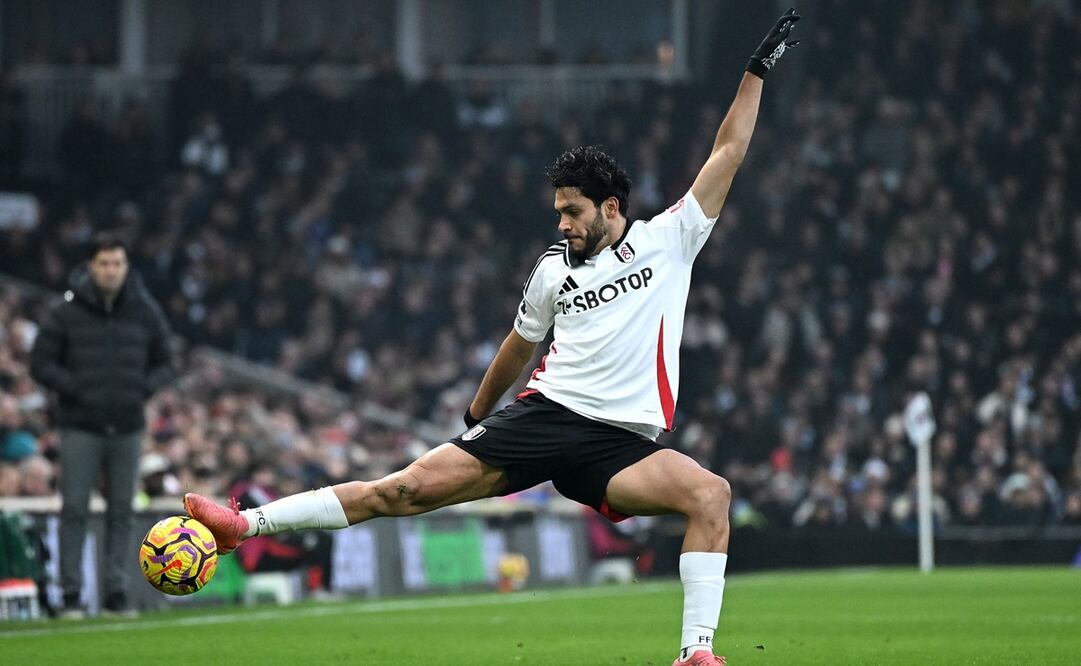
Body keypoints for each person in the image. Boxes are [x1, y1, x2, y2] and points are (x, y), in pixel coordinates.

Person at [185, 10, 800, 664]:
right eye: (558, 210)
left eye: (572, 211)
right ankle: (241, 526)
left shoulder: (668, 239)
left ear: (612, 208)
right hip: (546, 418)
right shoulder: (550, 271)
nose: (562, 222)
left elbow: (728, 151)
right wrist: (480, 414)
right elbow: (518, 344)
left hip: (620, 442)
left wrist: (754, 71)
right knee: (402, 491)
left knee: (711, 494)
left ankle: (694, 653)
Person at [31, 232, 177, 618]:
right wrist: (72, 387)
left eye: (117, 263)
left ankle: (116, 593)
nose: (111, 271)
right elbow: (40, 361)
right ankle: (70, 595)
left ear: (126, 267)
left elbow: (167, 360)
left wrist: (141, 389)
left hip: (128, 424)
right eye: (104, 263)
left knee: (122, 511)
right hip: (80, 423)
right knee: (74, 508)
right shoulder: (67, 311)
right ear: (91, 266)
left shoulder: (144, 310)